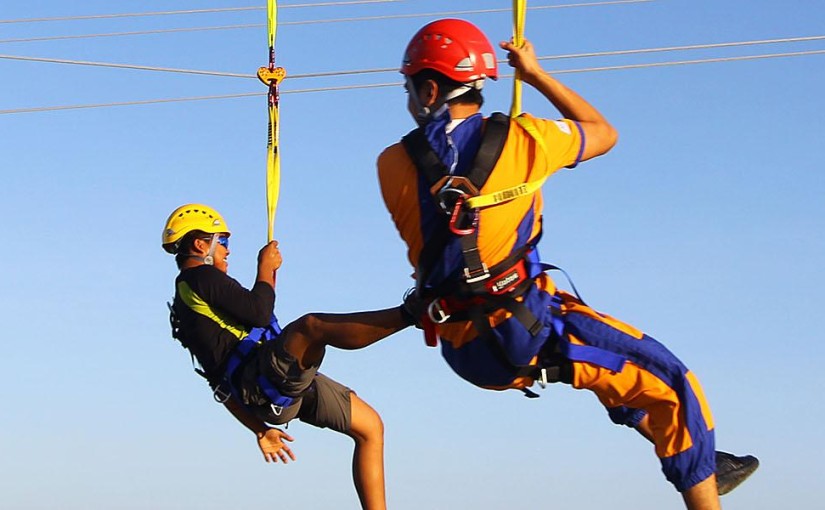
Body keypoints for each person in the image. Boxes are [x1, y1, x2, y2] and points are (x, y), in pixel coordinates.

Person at [378, 19, 757, 509]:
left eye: (408, 88)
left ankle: (691, 454)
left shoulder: (391, 164)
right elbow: (604, 133)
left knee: (607, 356)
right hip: (518, 332)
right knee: (674, 384)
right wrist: (536, 75)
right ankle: (701, 476)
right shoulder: (526, 139)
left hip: (460, 342)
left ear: (429, 90)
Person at [162, 204, 409, 510]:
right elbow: (259, 312)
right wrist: (264, 268)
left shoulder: (190, 302)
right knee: (311, 327)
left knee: (370, 427)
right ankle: (413, 312)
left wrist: (260, 430)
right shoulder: (200, 277)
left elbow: (219, 385)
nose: (227, 250)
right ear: (201, 245)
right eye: (222, 241)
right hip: (263, 380)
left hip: (265, 391)